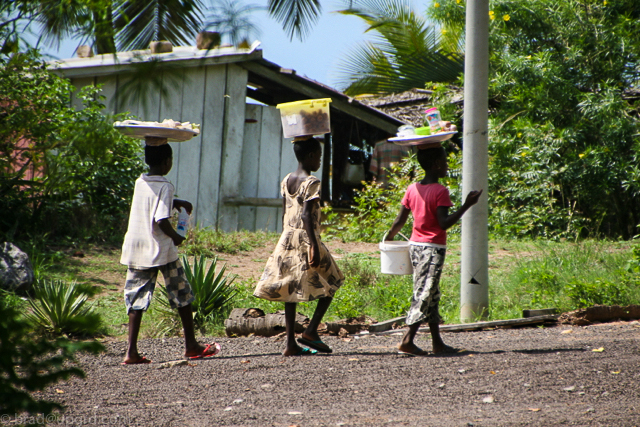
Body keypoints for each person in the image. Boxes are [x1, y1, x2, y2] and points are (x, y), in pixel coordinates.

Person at [120, 139, 220, 364]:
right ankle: (191, 345)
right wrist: (176, 237)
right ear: (167, 162)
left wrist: (174, 202)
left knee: (135, 298)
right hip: (161, 249)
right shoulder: (166, 185)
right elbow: (161, 219)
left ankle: (131, 352)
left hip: (137, 247)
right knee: (182, 293)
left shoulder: (140, 181)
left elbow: (150, 201)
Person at [384, 144, 482, 355]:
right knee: (424, 294)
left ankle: (437, 343)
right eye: (446, 162)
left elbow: (400, 220)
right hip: (432, 249)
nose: (447, 165)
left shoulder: (412, 188)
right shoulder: (440, 191)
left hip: (415, 247)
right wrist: (467, 205)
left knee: (432, 295)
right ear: (437, 165)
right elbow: (444, 223)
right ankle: (407, 340)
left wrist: (388, 239)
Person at [253, 136, 344, 356]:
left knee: (289, 288)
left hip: (287, 237)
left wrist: (285, 237)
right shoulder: (312, 182)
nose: (320, 161)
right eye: (320, 157)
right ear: (311, 156)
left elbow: (286, 211)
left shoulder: (287, 180)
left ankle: (290, 345)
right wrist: (313, 245)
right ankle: (311, 330)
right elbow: (306, 214)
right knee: (334, 279)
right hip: (306, 237)